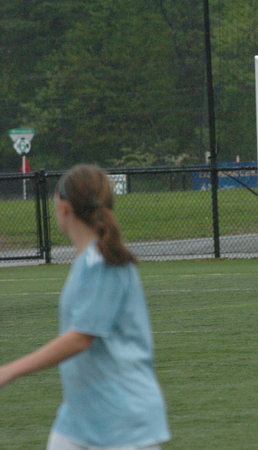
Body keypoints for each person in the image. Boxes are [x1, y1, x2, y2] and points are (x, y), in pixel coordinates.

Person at [0, 164, 170, 449]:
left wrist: (10, 370)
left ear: (64, 208)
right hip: (81, 417)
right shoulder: (88, 261)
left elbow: (81, 338)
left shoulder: (101, 262)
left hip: (121, 419)